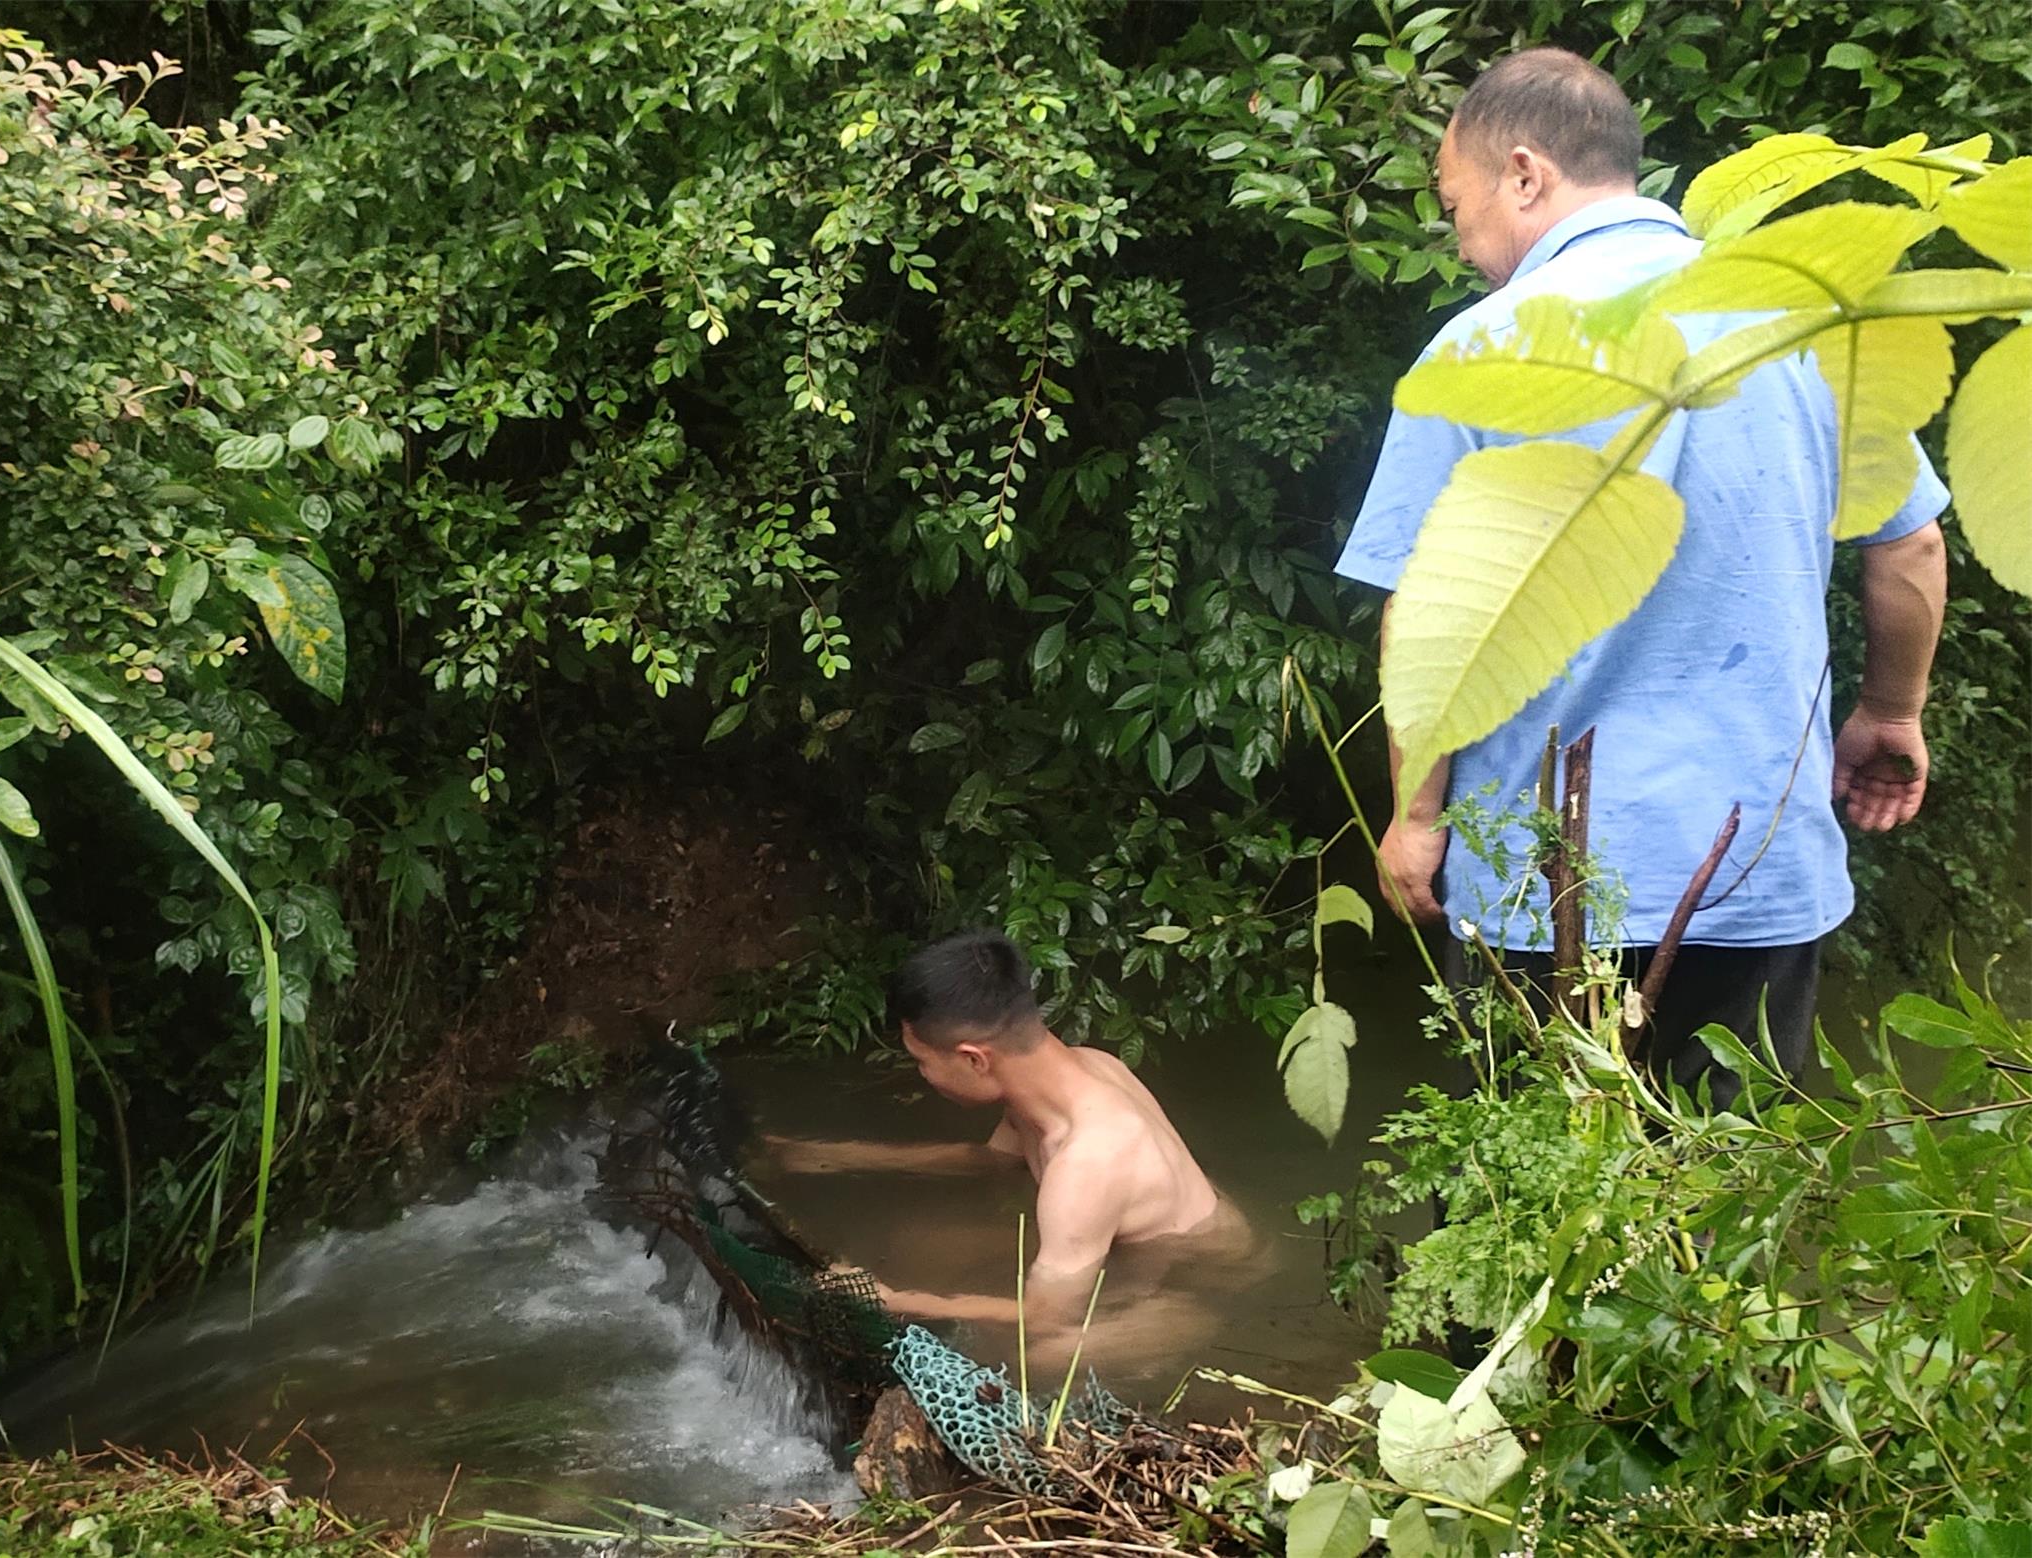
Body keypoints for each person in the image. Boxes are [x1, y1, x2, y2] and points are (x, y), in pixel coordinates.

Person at [1338, 48, 1949, 1105]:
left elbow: (1428, 614)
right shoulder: (1799, 327)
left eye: (1454, 203)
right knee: (1715, 1221)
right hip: (1756, 867)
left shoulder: (1482, 349)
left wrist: (1416, 816)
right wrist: (1889, 708)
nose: (1460, 239)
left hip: (1544, 884)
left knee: (1530, 1218)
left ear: (1522, 174)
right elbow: (1908, 547)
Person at [763, 928, 1246, 1357]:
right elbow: (988, 1161)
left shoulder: (1088, 1165)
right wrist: (823, 1156)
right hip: (1147, 1244)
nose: (922, 1074)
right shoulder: (1075, 1069)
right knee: (921, 1243)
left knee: (1043, 1356)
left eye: (921, 1061)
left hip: (1196, 1281)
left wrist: (888, 1299)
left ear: (975, 1060)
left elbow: (1043, 1316)